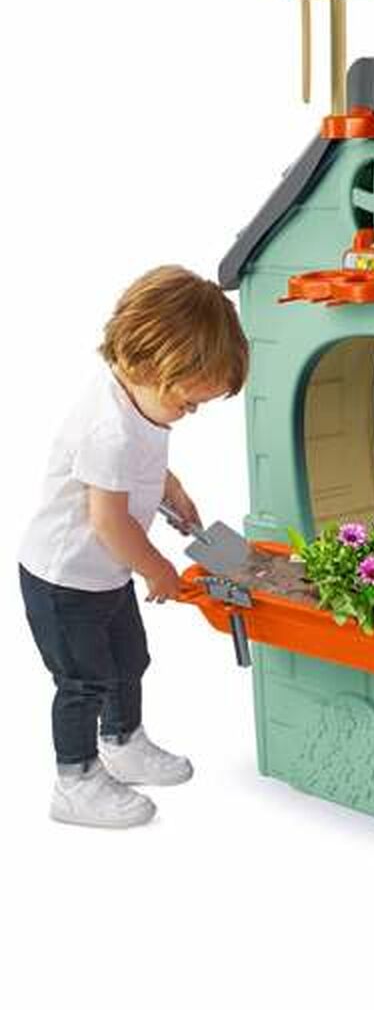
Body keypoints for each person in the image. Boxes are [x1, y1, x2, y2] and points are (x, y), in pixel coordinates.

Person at [18, 266, 248, 828]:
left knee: (128, 661)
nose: (189, 415)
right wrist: (158, 569)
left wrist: (171, 488)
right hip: (66, 582)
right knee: (84, 681)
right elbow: (109, 523)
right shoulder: (108, 430)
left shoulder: (139, 403)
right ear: (151, 367)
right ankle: (76, 782)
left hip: (106, 574)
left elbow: (143, 461)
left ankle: (123, 742)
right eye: (188, 404)